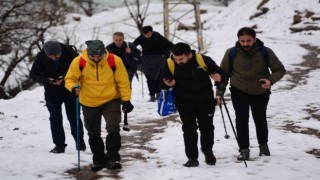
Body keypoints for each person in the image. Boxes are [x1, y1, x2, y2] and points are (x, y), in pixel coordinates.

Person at [217, 27, 286, 161]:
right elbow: (223, 74)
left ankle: (263, 146)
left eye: (249, 40)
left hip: (260, 91)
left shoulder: (266, 52)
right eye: (242, 41)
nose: (246, 44)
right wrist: (219, 92)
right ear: (238, 40)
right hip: (239, 90)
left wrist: (270, 80)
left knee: (259, 118)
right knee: (241, 118)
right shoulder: (231, 53)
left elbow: (279, 69)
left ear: (254, 39)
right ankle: (244, 149)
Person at [64, 40, 134, 171]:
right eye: (93, 56)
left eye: (99, 56)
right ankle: (98, 159)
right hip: (89, 101)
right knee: (93, 132)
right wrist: (73, 87)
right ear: (88, 53)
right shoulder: (79, 61)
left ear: (103, 52)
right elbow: (70, 79)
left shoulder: (114, 60)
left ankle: (113, 158)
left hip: (111, 98)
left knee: (113, 127)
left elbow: (123, 82)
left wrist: (126, 100)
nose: (96, 59)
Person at [161, 42, 227, 167]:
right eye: (176, 59)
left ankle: (207, 150)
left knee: (207, 128)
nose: (178, 61)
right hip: (184, 102)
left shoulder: (203, 60)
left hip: (205, 101)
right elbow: (162, 81)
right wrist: (167, 84)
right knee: (189, 129)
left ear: (189, 55)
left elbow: (220, 73)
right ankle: (192, 157)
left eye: (181, 59)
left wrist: (219, 77)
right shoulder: (170, 63)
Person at [30, 40, 86, 153]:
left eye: (56, 55)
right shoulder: (41, 56)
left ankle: (80, 143)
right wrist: (47, 80)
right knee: (55, 118)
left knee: (74, 117)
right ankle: (59, 145)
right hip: (51, 91)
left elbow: (81, 70)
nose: (54, 58)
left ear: (60, 51)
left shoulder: (70, 52)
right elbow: (34, 74)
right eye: (51, 56)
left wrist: (65, 77)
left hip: (70, 89)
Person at [133, 25, 173, 102]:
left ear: (152, 32)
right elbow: (133, 45)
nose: (147, 36)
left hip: (159, 58)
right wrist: (135, 53)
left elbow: (168, 44)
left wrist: (177, 51)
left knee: (159, 77)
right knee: (149, 78)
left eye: (149, 34)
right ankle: (152, 95)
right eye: (145, 35)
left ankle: (158, 94)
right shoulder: (141, 38)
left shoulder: (157, 36)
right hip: (146, 59)